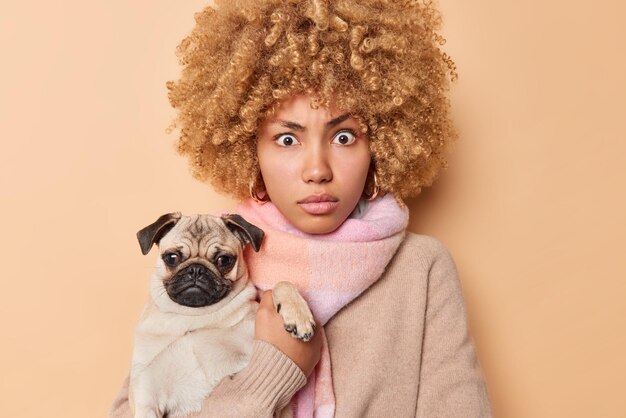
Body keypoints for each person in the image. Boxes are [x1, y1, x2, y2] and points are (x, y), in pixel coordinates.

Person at [110, 0, 492, 417]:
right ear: (247, 146)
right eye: (287, 139)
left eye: (344, 136)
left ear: (380, 144)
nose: (317, 170)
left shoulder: (422, 271)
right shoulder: (216, 260)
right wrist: (270, 375)